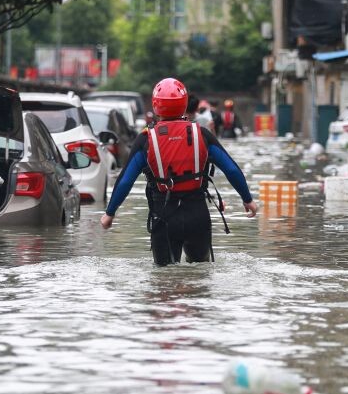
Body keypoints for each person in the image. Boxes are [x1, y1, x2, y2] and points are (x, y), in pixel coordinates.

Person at [100, 78, 258, 266]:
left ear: (155, 105)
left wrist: (110, 212)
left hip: (164, 218)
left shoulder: (146, 139)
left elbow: (126, 180)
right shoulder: (202, 133)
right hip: (197, 216)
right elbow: (231, 168)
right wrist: (247, 199)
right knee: (199, 277)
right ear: (184, 104)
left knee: (164, 282)